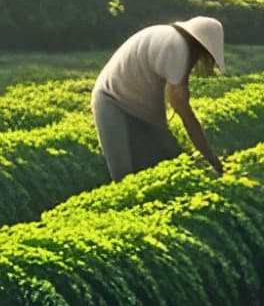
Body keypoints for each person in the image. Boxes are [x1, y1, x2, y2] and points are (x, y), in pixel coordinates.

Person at [91, 16, 227, 182]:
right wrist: (211, 158)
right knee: (124, 175)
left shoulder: (171, 39)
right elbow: (183, 109)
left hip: (141, 111)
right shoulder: (176, 49)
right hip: (111, 101)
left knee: (167, 162)